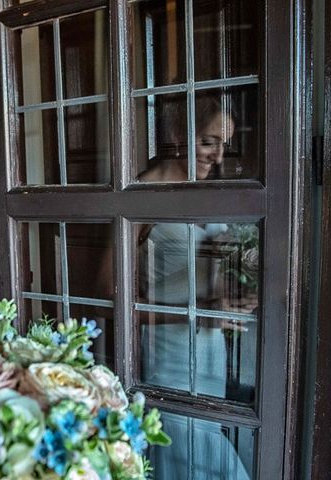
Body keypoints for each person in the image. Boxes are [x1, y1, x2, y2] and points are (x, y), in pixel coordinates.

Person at [137, 94, 254, 479]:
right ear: (177, 132)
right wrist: (200, 308)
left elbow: (212, 281)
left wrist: (235, 297)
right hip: (168, 359)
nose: (217, 157)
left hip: (211, 355)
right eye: (208, 141)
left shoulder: (208, 194)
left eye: (223, 145)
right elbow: (109, 298)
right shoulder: (141, 194)